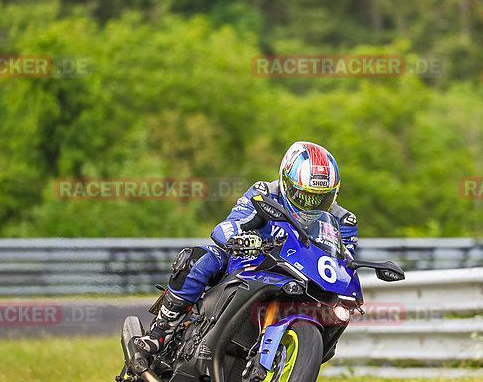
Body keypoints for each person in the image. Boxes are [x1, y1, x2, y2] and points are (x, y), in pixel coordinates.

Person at [134, 141, 358, 355]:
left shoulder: (344, 221)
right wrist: (243, 239)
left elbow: (343, 263)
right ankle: (160, 332)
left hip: (303, 281)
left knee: (338, 310)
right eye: (304, 197)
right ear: (286, 183)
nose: (311, 206)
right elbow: (229, 225)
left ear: (334, 193)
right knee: (199, 259)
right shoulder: (265, 192)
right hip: (251, 262)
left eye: (321, 198)